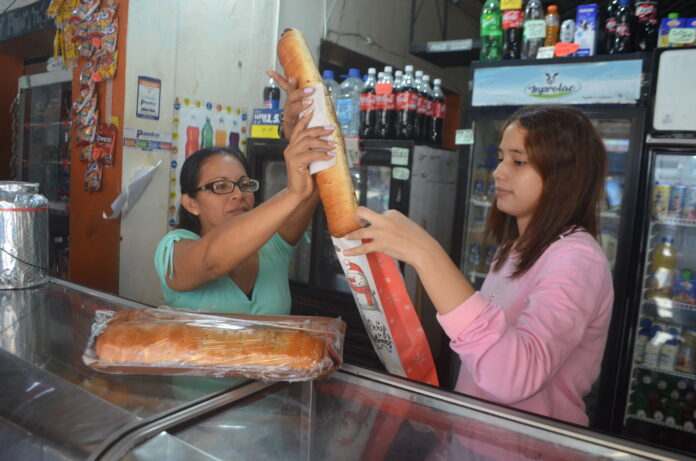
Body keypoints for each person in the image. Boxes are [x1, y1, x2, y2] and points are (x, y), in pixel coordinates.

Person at [344, 105, 613, 426]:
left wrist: (425, 253)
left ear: (564, 175)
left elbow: (512, 377)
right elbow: (481, 358)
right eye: (501, 158)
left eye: (518, 161)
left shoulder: (578, 259)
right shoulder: (514, 249)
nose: (499, 171)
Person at [154, 73, 333, 315]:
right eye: (220, 186)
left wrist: (293, 129)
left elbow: (320, 170)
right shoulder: (173, 250)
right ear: (191, 203)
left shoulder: (273, 243)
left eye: (243, 184)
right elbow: (211, 261)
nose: (238, 194)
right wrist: (292, 194)